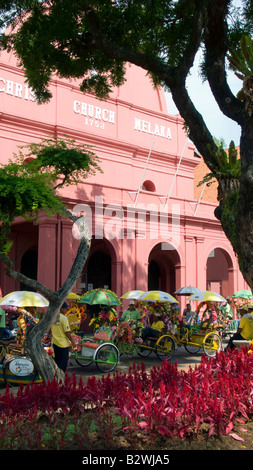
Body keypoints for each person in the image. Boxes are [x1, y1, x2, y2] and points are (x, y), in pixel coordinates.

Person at [51, 302, 77, 372]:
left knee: (57, 362)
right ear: (61, 308)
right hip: (63, 344)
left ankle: (56, 378)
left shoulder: (54, 317)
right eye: (66, 308)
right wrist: (73, 342)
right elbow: (67, 332)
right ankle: (61, 378)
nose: (66, 310)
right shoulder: (64, 318)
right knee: (62, 364)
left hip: (55, 342)